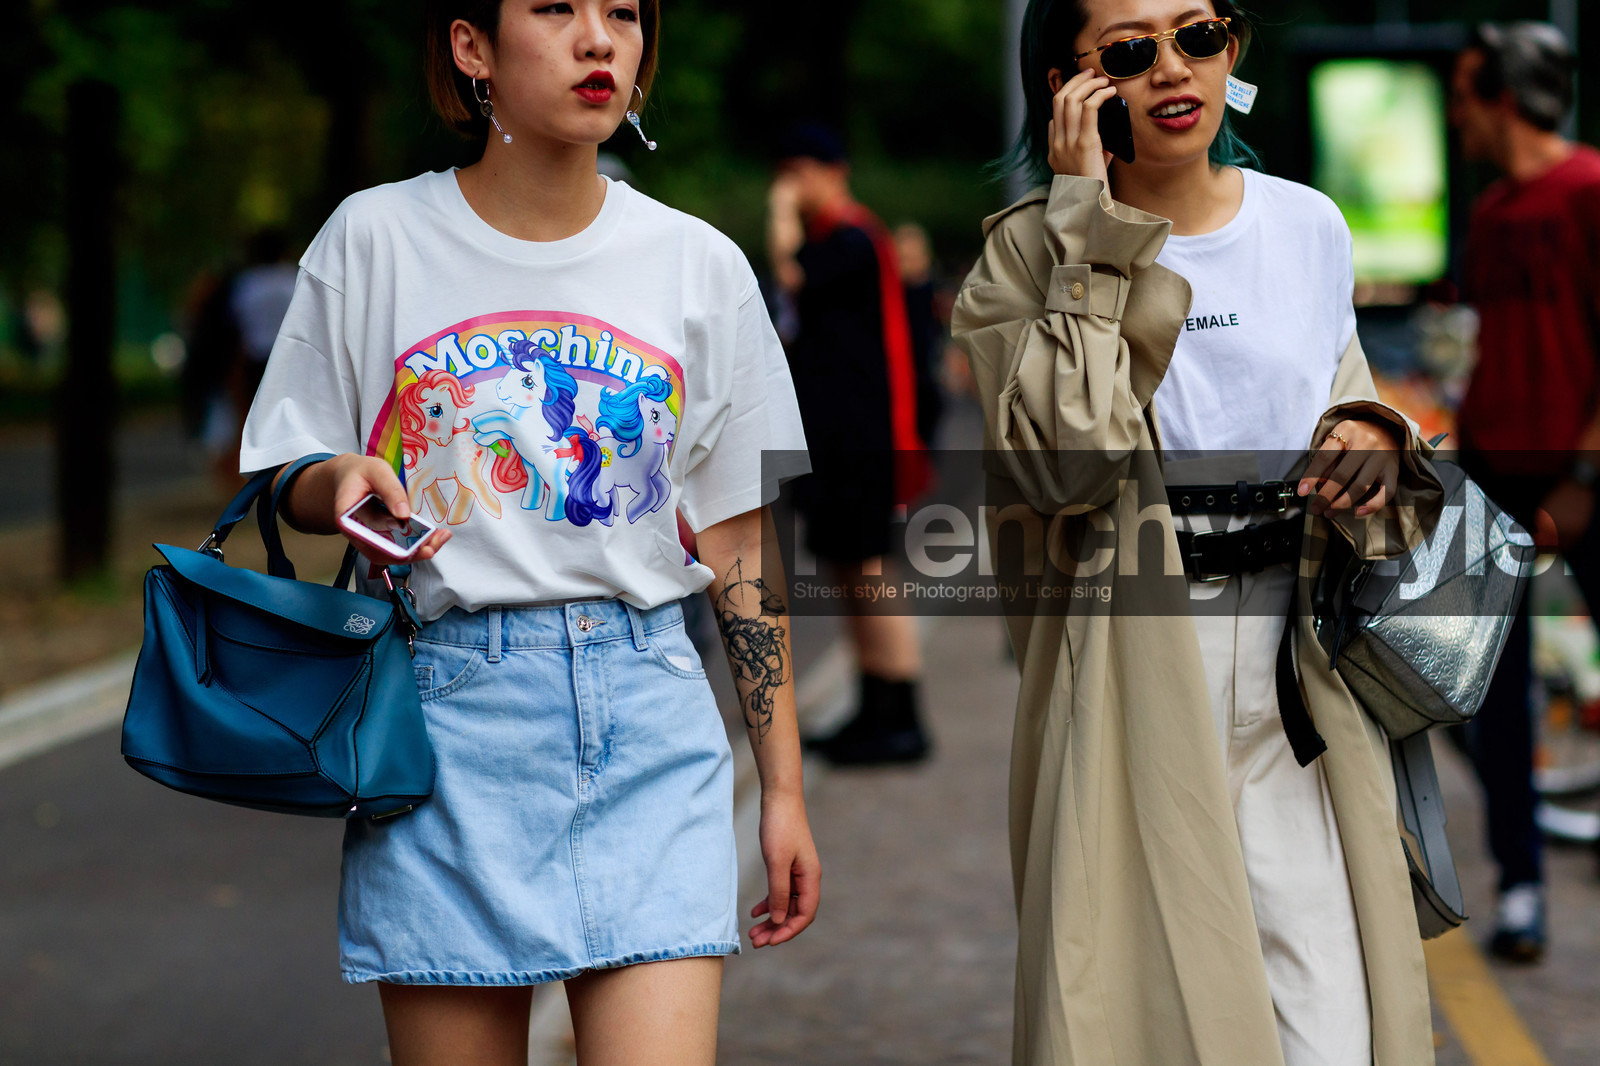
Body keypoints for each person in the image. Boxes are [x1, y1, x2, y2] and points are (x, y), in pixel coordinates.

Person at [237, 2, 820, 1063]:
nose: (597, 40)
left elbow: (737, 547)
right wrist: (339, 483)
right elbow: (285, 466)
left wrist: (779, 789)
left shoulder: (698, 265)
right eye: (554, 9)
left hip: (649, 713)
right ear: (473, 50)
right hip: (444, 723)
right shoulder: (374, 240)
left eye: (624, 15)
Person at [953, 2, 1445, 1063]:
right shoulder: (1020, 262)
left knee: (1332, 1023)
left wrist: (1369, 432)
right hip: (1130, 660)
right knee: (1150, 1012)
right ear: (1068, 90)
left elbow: (1361, 412)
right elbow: (1063, 464)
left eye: (1199, 34)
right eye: (1129, 51)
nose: (1173, 69)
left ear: (1235, 46)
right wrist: (1087, 235)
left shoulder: (1306, 223)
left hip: (1299, 666)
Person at [1450, 20, 1595, 962]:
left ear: (1502, 93)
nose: (1454, 111)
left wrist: (1583, 474)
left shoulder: (1588, 189)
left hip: (1583, 472)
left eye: (1465, 89)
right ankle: (1522, 885)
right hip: (1491, 474)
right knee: (1479, 688)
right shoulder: (1492, 212)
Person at [767, 124, 933, 766]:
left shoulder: (853, 238)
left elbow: (792, 278)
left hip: (864, 441)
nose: (788, 187)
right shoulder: (839, 239)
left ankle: (902, 715)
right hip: (837, 439)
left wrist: (781, 218)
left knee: (870, 571)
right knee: (849, 571)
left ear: (832, 173)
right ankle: (874, 707)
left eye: (798, 173)